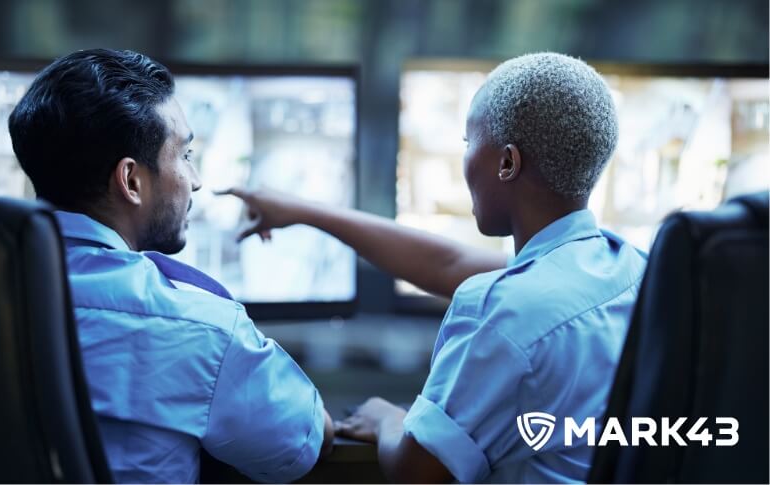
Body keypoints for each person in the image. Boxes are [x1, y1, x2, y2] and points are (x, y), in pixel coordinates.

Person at [220, 52, 647, 483]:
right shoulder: (628, 268)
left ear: (506, 163)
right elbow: (449, 263)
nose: (464, 159)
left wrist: (389, 419)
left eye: (468, 143)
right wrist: (306, 212)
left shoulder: (502, 310)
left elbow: (417, 472)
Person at [7, 49, 333, 484]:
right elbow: (303, 442)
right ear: (131, 181)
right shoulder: (202, 326)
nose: (195, 180)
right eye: (185, 154)